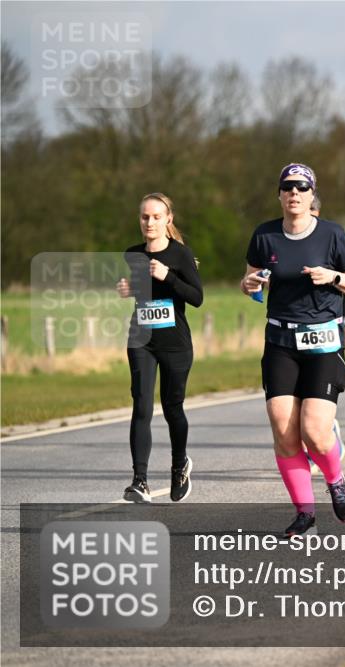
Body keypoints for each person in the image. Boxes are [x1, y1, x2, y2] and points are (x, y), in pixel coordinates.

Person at [242, 163, 345, 536]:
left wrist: (335, 277)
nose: (294, 193)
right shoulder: (264, 235)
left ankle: (336, 480)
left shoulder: (331, 235)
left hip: (324, 342)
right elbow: (250, 282)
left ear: (312, 195)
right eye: (287, 187)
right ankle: (304, 513)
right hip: (280, 340)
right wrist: (249, 284)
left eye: (301, 187)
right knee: (284, 430)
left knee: (314, 430)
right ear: (279, 195)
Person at [118, 193, 203, 504]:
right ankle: (139, 480)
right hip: (141, 339)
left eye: (156, 217)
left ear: (168, 219)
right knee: (141, 406)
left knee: (172, 408)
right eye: (145, 217)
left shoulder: (181, 255)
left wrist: (168, 276)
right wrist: (127, 289)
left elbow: (196, 297)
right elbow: (141, 291)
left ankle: (179, 465)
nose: (149, 222)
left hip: (175, 344)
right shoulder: (132, 254)